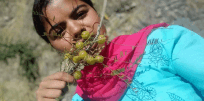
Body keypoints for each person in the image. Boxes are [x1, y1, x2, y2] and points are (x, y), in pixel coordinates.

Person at [32, 0, 204, 101]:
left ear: (97, 13)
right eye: (59, 32)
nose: (76, 30)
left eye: (80, 14)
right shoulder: (80, 98)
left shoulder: (163, 43)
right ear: (53, 47)